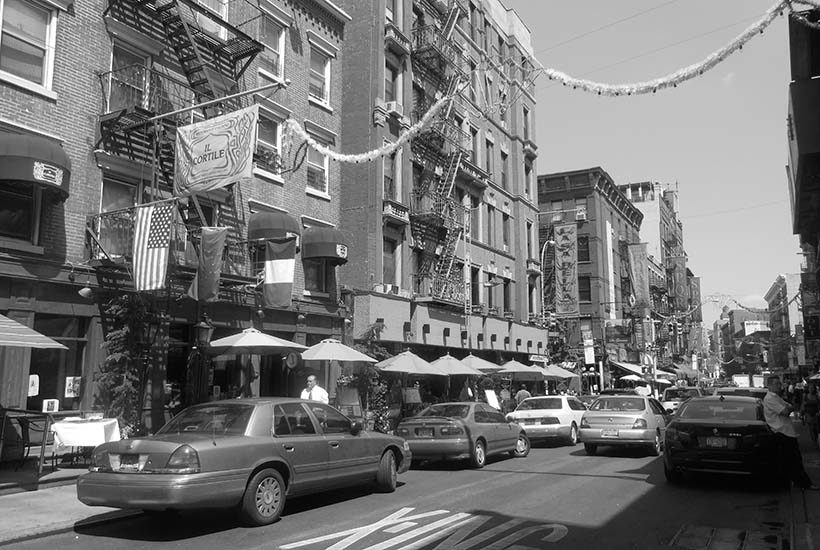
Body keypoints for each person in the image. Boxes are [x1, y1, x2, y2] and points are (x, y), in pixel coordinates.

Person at [763, 376, 817, 490]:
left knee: (792, 460)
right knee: (793, 460)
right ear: (770, 385)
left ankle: (796, 481)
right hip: (782, 432)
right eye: (776, 384)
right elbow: (786, 411)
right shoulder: (770, 398)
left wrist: (790, 407)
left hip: (787, 432)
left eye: (779, 383)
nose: (779, 385)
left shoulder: (776, 397)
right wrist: (790, 407)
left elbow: (789, 406)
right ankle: (803, 483)